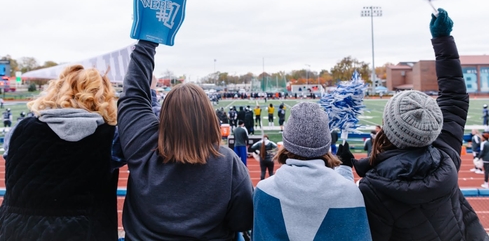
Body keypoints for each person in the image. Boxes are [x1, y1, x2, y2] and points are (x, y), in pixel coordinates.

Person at [353, 8, 487, 240]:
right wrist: (443, 39)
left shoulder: (373, 188)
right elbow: (454, 96)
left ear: (389, 129)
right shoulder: (446, 154)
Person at [117, 41, 253, 240]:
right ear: (209, 117)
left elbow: (133, 96)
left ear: (164, 118)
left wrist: (147, 42)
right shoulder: (228, 163)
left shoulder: (144, 146)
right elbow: (242, 221)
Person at [0, 65, 119, 240]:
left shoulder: (19, 129)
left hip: (16, 231)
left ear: (56, 90)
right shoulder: (112, 136)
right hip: (86, 231)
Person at [253, 102, 372, 240]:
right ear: (326, 145)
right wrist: (345, 171)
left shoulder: (263, 191)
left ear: (286, 144)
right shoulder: (351, 192)